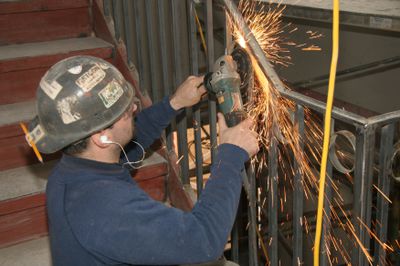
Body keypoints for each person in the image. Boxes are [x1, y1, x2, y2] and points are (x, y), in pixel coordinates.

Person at [27, 55, 259, 265]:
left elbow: (129, 148)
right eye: (126, 112)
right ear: (102, 137)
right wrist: (231, 154)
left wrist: (174, 103)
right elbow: (204, 240)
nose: (135, 107)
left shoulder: (74, 170)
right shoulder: (106, 208)